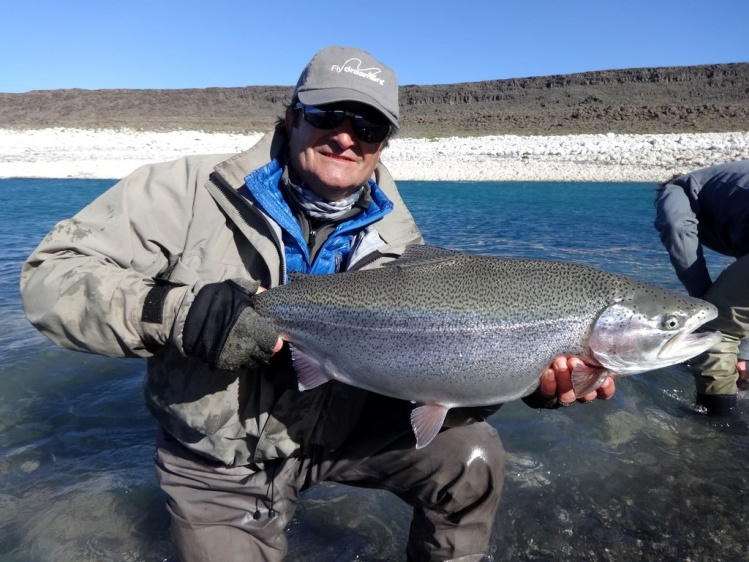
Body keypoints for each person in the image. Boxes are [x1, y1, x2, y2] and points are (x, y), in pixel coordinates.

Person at [20, 46, 615, 562]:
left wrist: (525, 380)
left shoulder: (400, 242)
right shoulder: (182, 192)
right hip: (219, 459)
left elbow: (437, 365)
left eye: (369, 127)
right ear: (292, 115)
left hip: (341, 428)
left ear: (384, 143)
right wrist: (182, 315)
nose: (346, 136)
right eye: (329, 114)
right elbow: (48, 281)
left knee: (473, 457)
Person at [654, 159, 749, 417]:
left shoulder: (677, 188)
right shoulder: (731, 186)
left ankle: (719, 431)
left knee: (714, 326)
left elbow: (675, 227)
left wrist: (704, 306)